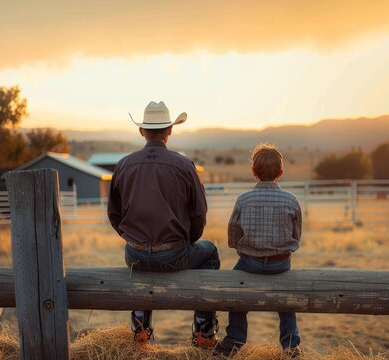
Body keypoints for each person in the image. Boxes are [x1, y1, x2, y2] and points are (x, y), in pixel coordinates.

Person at [107, 101, 220, 348]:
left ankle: (140, 326)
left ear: (141, 131)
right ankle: (204, 329)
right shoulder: (184, 165)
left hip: (134, 253)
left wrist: (135, 239)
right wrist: (185, 241)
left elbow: (113, 214)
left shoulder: (124, 165)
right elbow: (199, 214)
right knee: (210, 252)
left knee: (141, 267)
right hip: (173, 253)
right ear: (170, 130)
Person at [215, 143, 302, 358]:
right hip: (281, 263)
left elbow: (233, 233)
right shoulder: (291, 200)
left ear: (253, 172)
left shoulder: (243, 200)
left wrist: (243, 250)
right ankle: (291, 345)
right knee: (286, 300)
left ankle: (235, 338)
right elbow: (296, 235)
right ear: (280, 173)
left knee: (235, 292)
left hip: (250, 262)